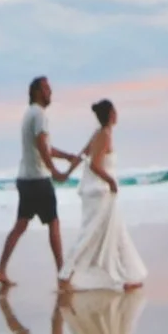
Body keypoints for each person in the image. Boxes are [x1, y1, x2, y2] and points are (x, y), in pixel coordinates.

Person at [59, 98, 146, 296]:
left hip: (99, 192)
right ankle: (66, 275)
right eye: (114, 111)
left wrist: (66, 173)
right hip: (100, 193)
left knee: (114, 233)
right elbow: (94, 165)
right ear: (110, 115)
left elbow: (82, 155)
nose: (117, 114)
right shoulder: (104, 135)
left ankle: (126, 277)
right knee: (91, 233)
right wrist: (111, 181)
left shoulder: (99, 134)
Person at [0, 76, 74, 288]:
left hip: (25, 179)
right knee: (54, 224)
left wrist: (67, 157)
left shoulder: (29, 114)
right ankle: (62, 275)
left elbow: (45, 147)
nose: (51, 92)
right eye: (47, 88)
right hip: (39, 180)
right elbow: (41, 145)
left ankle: (1, 269)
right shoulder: (39, 114)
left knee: (20, 225)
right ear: (38, 92)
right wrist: (55, 171)